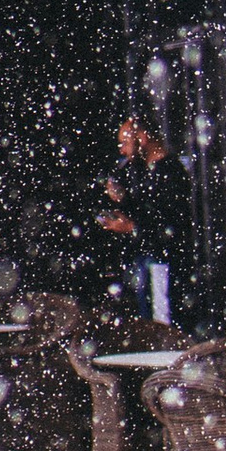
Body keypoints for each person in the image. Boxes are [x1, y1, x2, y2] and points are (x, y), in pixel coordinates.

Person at [97, 114, 194, 323]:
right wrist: (123, 200)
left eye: (125, 142)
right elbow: (148, 212)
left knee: (163, 326)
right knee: (151, 324)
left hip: (163, 264)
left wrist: (132, 227)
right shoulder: (145, 170)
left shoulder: (170, 172)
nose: (122, 150)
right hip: (150, 261)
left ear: (142, 137)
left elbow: (171, 226)